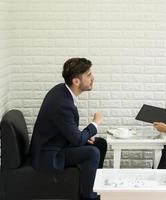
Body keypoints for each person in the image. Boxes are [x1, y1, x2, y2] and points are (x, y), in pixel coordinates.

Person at [30, 58, 107, 200]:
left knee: (100, 143)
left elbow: (68, 130)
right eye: (88, 75)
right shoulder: (62, 104)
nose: (93, 78)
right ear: (76, 81)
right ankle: (88, 195)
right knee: (93, 152)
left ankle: (95, 187)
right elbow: (77, 140)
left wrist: (85, 136)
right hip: (49, 155)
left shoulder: (62, 90)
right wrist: (95, 123)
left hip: (59, 144)